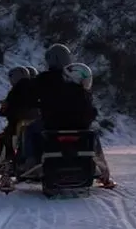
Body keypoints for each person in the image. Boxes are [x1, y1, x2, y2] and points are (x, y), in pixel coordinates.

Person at [17, 44, 97, 174]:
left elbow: (30, 96)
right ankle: (98, 162)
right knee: (92, 134)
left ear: (51, 59)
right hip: (79, 125)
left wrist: (34, 103)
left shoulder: (44, 78)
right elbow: (88, 103)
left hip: (52, 123)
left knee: (28, 130)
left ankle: (30, 161)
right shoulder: (75, 77)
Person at [63, 60, 116, 188]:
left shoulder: (58, 91)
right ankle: (104, 174)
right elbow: (90, 113)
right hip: (80, 129)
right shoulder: (83, 94)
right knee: (94, 141)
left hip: (54, 127)